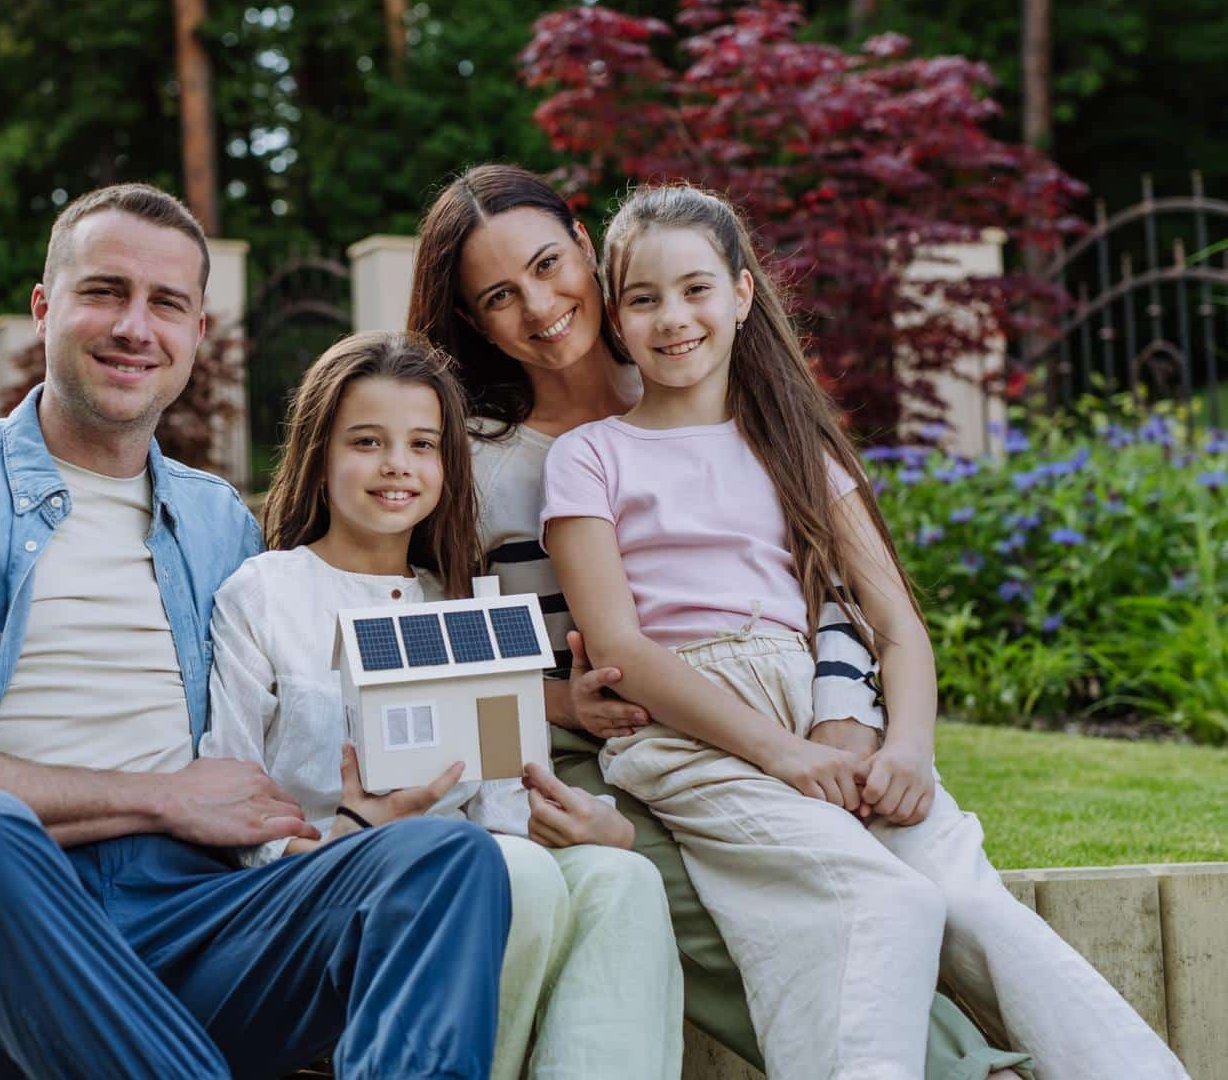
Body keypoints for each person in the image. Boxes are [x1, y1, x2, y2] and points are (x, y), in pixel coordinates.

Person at [0, 184, 511, 1080]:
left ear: (197, 332)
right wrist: (161, 798)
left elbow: (314, 672)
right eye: (104, 292)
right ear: (45, 309)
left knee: (443, 860)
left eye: (166, 304)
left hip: (184, 915)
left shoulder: (217, 521)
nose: (134, 326)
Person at [540, 182, 1188, 1080]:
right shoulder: (593, 456)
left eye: (695, 289)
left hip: (828, 719)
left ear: (741, 293)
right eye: (643, 298)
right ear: (616, 315)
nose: (673, 317)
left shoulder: (798, 446)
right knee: (881, 901)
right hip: (697, 735)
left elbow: (897, 628)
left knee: (968, 896)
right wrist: (783, 754)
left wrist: (910, 749)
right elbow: (621, 648)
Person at [407, 163, 1030, 1079]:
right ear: (471, 320)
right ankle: (967, 1070)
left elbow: (829, 589)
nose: (539, 306)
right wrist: (558, 700)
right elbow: (418, 630)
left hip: (772, 714)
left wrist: (840, 718)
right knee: (689, 902)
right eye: (499, 296)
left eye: (549, 264)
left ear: (589, 247)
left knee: (855, 887)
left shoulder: (705, 382)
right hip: (593, 744)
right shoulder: (477, 459)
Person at [203, 330, 683, 1080]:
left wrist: (603, 825)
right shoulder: (264, 595)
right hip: (320, 890)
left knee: (626, 879)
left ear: (446, 467)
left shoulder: (458, 609)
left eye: (422, 444)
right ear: (320, 453)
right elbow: (229, 804)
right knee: (504, 872)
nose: (398, 464)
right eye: (368, 440)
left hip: (476, 868)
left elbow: (502, 802)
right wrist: (349, 835)